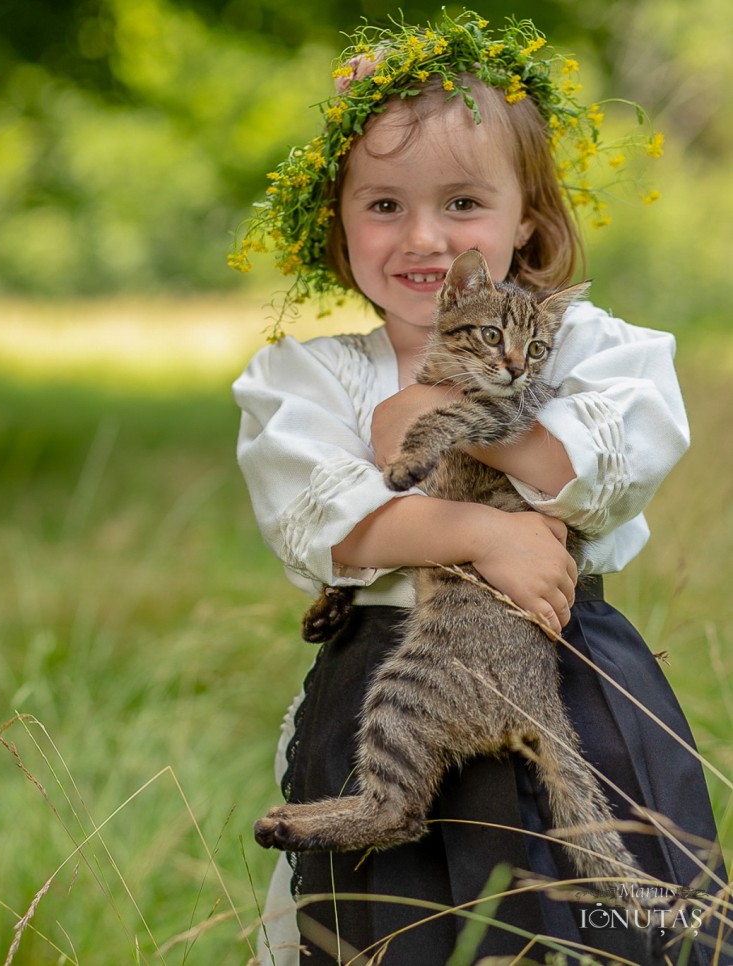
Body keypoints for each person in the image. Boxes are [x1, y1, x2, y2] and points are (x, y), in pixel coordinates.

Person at [231, 11, 725, 965]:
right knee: (393, 926)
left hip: (573, 664)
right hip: (387, 668)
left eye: (462, 203)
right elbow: (322, 520)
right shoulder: (309, 376)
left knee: (583, 911)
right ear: (336, 225)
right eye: (383, 206)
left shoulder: (589, 345)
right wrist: (483, 534)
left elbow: (602, 459)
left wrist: (455, 415)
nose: (424, 238)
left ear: (526, 219)